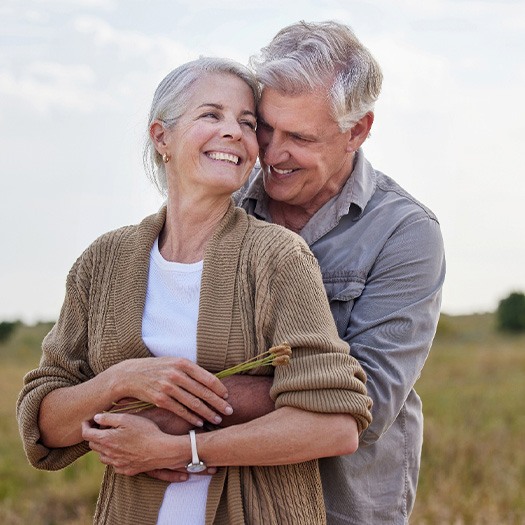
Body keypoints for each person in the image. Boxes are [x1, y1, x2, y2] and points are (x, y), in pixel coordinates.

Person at [16, 56, 373, 525]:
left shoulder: (277, 257)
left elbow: (334, 425)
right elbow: (44, 426)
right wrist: (121, 379)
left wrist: (179, 448)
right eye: (211, 115)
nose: (234, 132)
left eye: (247, 123)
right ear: (161, 136)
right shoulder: (102, 262)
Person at [230, 21, 445, 524]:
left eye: (300, 137)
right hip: (228, 501)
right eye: (265, 127)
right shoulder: (224, 207)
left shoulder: (405, 232)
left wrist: (192, 401)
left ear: (358, 131)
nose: (272, 154)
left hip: (341, 510)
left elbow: (362, 406)